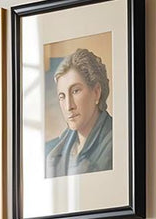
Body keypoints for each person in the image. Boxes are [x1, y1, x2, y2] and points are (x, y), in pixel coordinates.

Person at [45, 48, 113, 177]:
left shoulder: (117, 142)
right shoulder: (52, 151)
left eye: (75, 91)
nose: (69, 106)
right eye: (62, 96)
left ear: (96, 92)